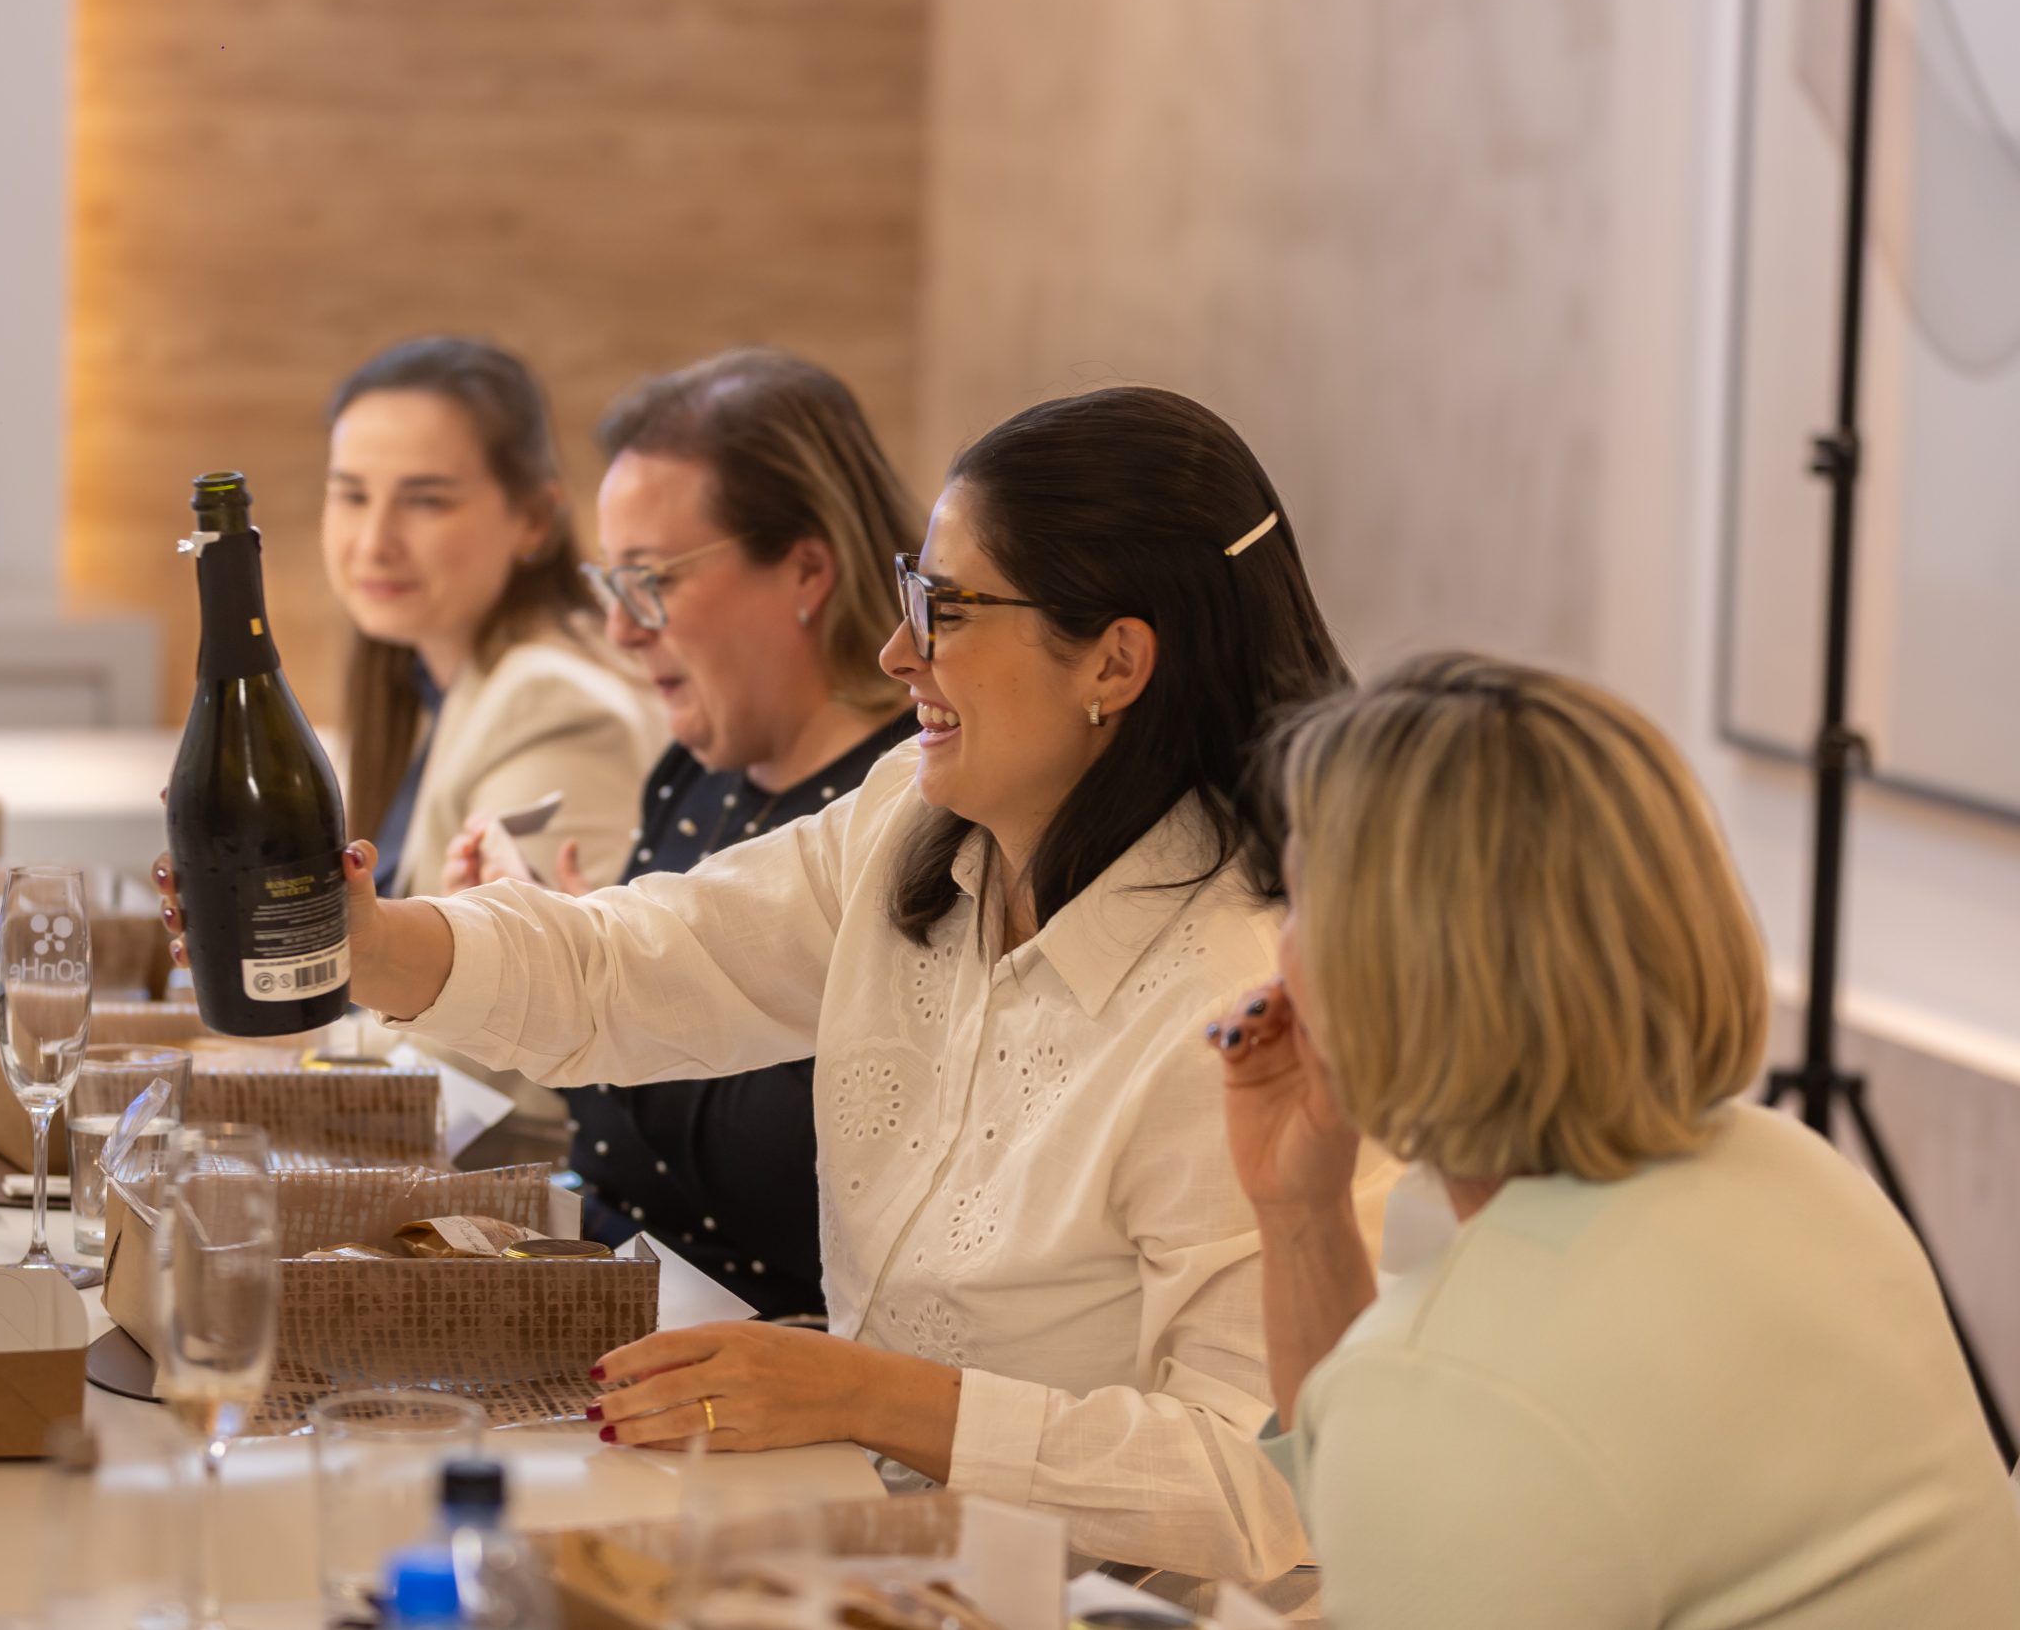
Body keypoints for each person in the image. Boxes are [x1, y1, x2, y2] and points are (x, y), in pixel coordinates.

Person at [337, 385, 1398, 1579]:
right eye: (909, 593)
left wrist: (867, 1395)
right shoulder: (916, 821)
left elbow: (1257, 1483)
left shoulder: (1244, 1000)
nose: (897, 652)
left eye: (944, 610)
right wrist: (360, 936)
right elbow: (633, 960)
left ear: (1113, 661)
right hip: (871, 1533)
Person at [1213, 655, 2020, 1628]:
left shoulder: (1456, 1382)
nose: (1281, 948)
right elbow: (1383, 1520)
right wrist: (1299, 1209)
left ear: (1395, 978)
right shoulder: (1800, 1173)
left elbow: (1411, 1498)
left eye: (1301, 901)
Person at [437, 348, 921, 1317]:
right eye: (610, 585)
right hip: (604, 1290)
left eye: (649, 582)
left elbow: (803, 1178)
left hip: (772, 1352)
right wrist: (568, 951)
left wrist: (578, 979)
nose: (621, 630)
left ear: (806, 570)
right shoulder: (694, 773)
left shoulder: (906, 810)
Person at [317, 336, 661, 901]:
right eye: (352, 496)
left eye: (425, 501)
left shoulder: (554, 702)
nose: (374, 543)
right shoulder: (422, 681)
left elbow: (518, 954)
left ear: (533, 519)